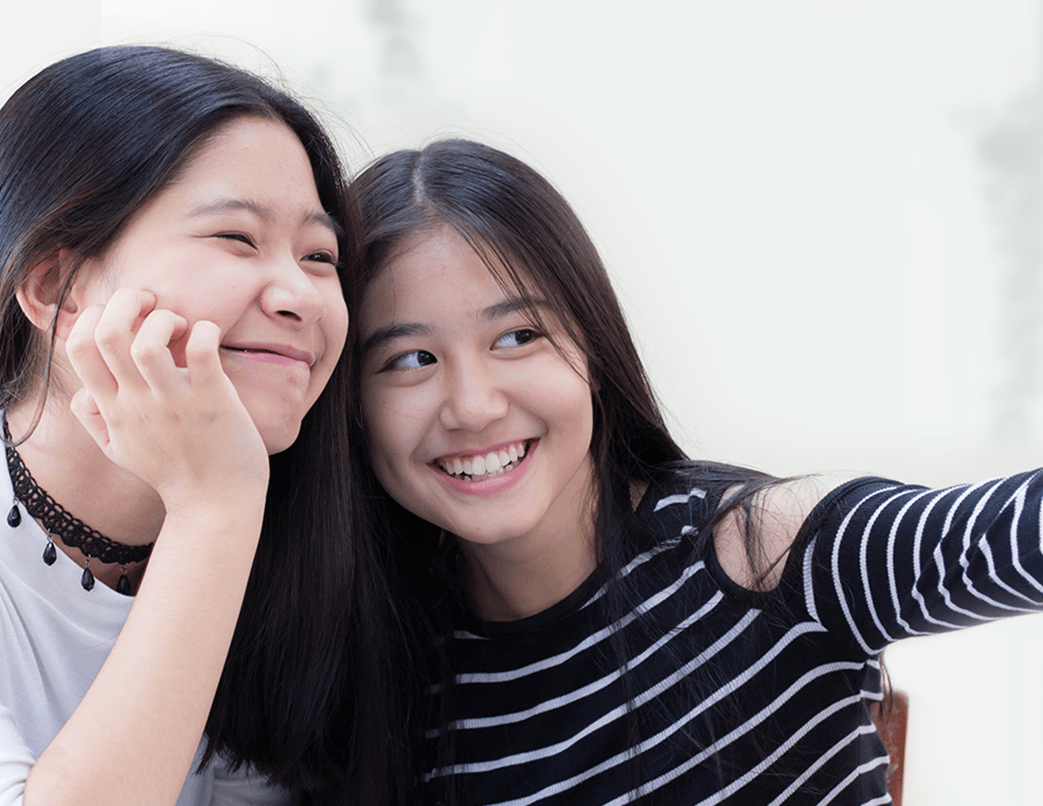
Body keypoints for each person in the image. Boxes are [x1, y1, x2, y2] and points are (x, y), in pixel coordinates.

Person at [346, 137, 1043, 804]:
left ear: (590, 346)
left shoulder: (759, 558)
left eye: (518, 336)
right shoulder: (382, 683)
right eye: (411, 359)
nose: (472, 406)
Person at [0, 45, 398, 806]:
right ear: (58, 289)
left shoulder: (314, 534)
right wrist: (212, 506)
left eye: (321, 256)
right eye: (237, 238)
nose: (302, 297)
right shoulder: (228, 506)